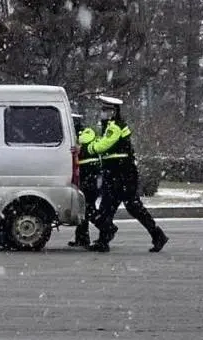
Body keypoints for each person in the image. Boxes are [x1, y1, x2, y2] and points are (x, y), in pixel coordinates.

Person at [85, 95, 168, 253]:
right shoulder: (110, 125)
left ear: (113, 111)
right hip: (116, 172)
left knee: (132, 206)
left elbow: (104, 145)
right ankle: (104, 240)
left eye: (105, 109)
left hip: (122, 173)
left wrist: (90, 148)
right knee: (107, 207)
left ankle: (157, 235)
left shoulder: (114, 127)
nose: (102, 112)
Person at [68, 113, 102, 249]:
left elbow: (85, 143)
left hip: (91, 176)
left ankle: (107, 227)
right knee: (84, 208)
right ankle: (82, 238)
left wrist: (78, 145)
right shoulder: (77, 136)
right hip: (86, 175)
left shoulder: (86, 132)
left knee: (88, 208)